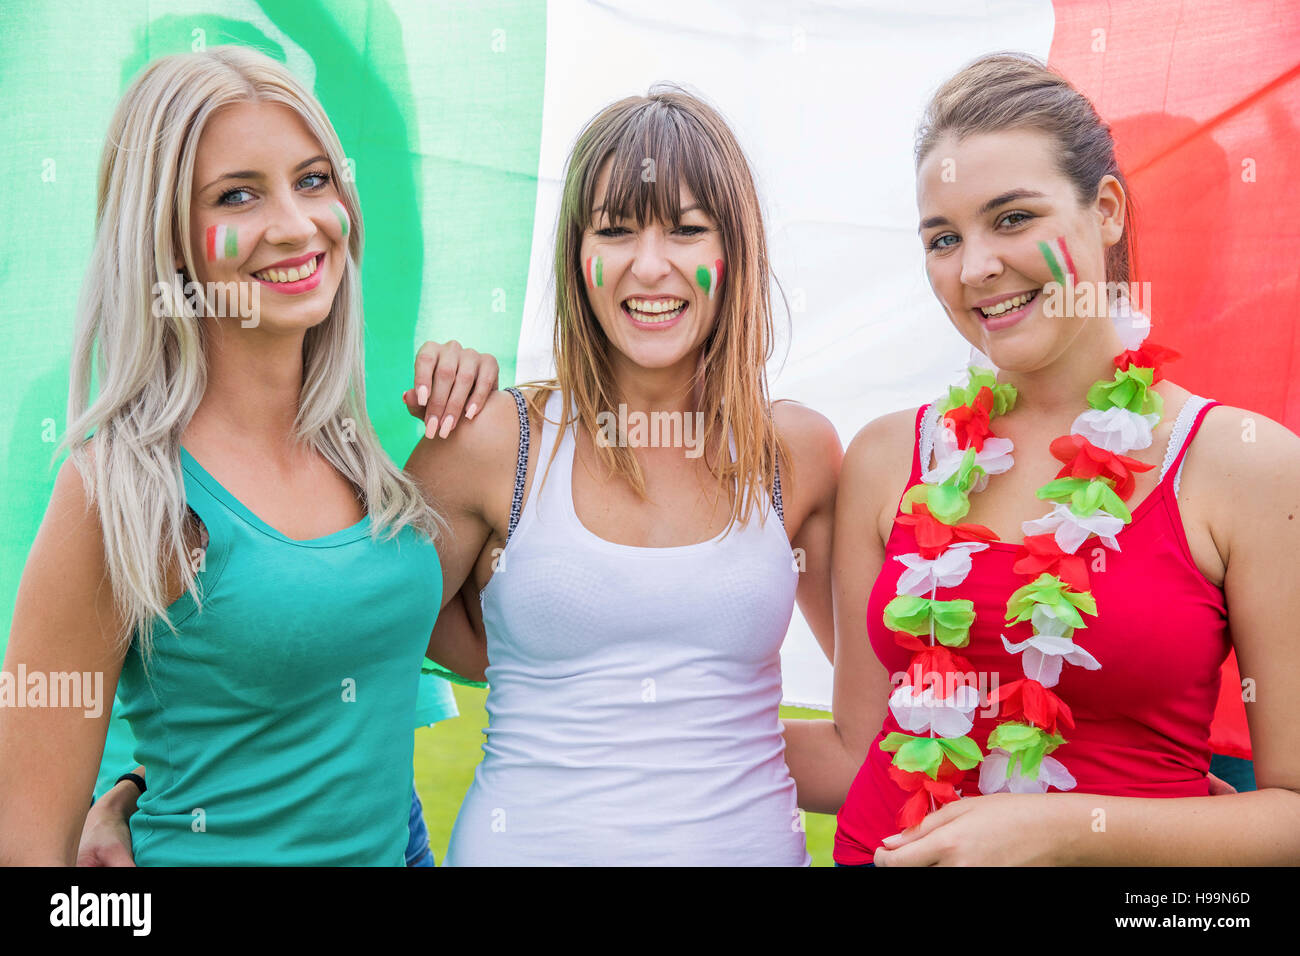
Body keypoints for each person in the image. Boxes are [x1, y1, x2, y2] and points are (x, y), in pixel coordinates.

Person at [789, 52, 1300, 865]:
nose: (976, 267)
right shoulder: (889, 457)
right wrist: (618, 726)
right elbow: (856, 749)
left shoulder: (1244, 468)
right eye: (944, 237)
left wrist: (1065, 832)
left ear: (1106, 211)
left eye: (1014, 217)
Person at [0, 46, 492, 866]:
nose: (296, 225)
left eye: (313, 180)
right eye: (237, 194)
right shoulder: (120, 487)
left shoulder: (363, 450)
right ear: (167, 237)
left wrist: (491, 427)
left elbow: (500, 643)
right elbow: (25, 854)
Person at [401, 84, 842, 865]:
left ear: (733, 254)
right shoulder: (493, 441)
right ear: (578, 256)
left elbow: (876, 735)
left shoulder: (797, 453)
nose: (648, 266)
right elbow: (347, 648)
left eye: (685, 230)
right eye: (614, 230)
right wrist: (132, 789)